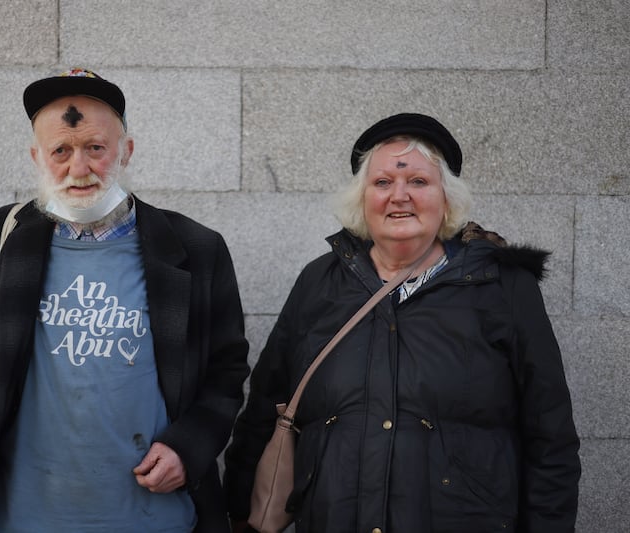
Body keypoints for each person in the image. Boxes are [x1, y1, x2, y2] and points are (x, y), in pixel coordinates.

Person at [0, 68, 250, 533]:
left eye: (95, 147)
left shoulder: (196, 248)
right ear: (37, 158)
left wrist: (187, 448)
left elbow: (227, 369)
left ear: (126, 152)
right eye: (61, 151)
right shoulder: (4, 237)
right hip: (20, 517)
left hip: (153, 517)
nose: (79, 168)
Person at [223, 113, 580, 532]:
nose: (399, 196)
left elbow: (550, 435)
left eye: (418, 182)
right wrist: (237, 514)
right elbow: (266, 409)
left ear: (447, 199)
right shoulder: (319, 284)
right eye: (382, 183)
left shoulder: (502, 287)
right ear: (361, 199)